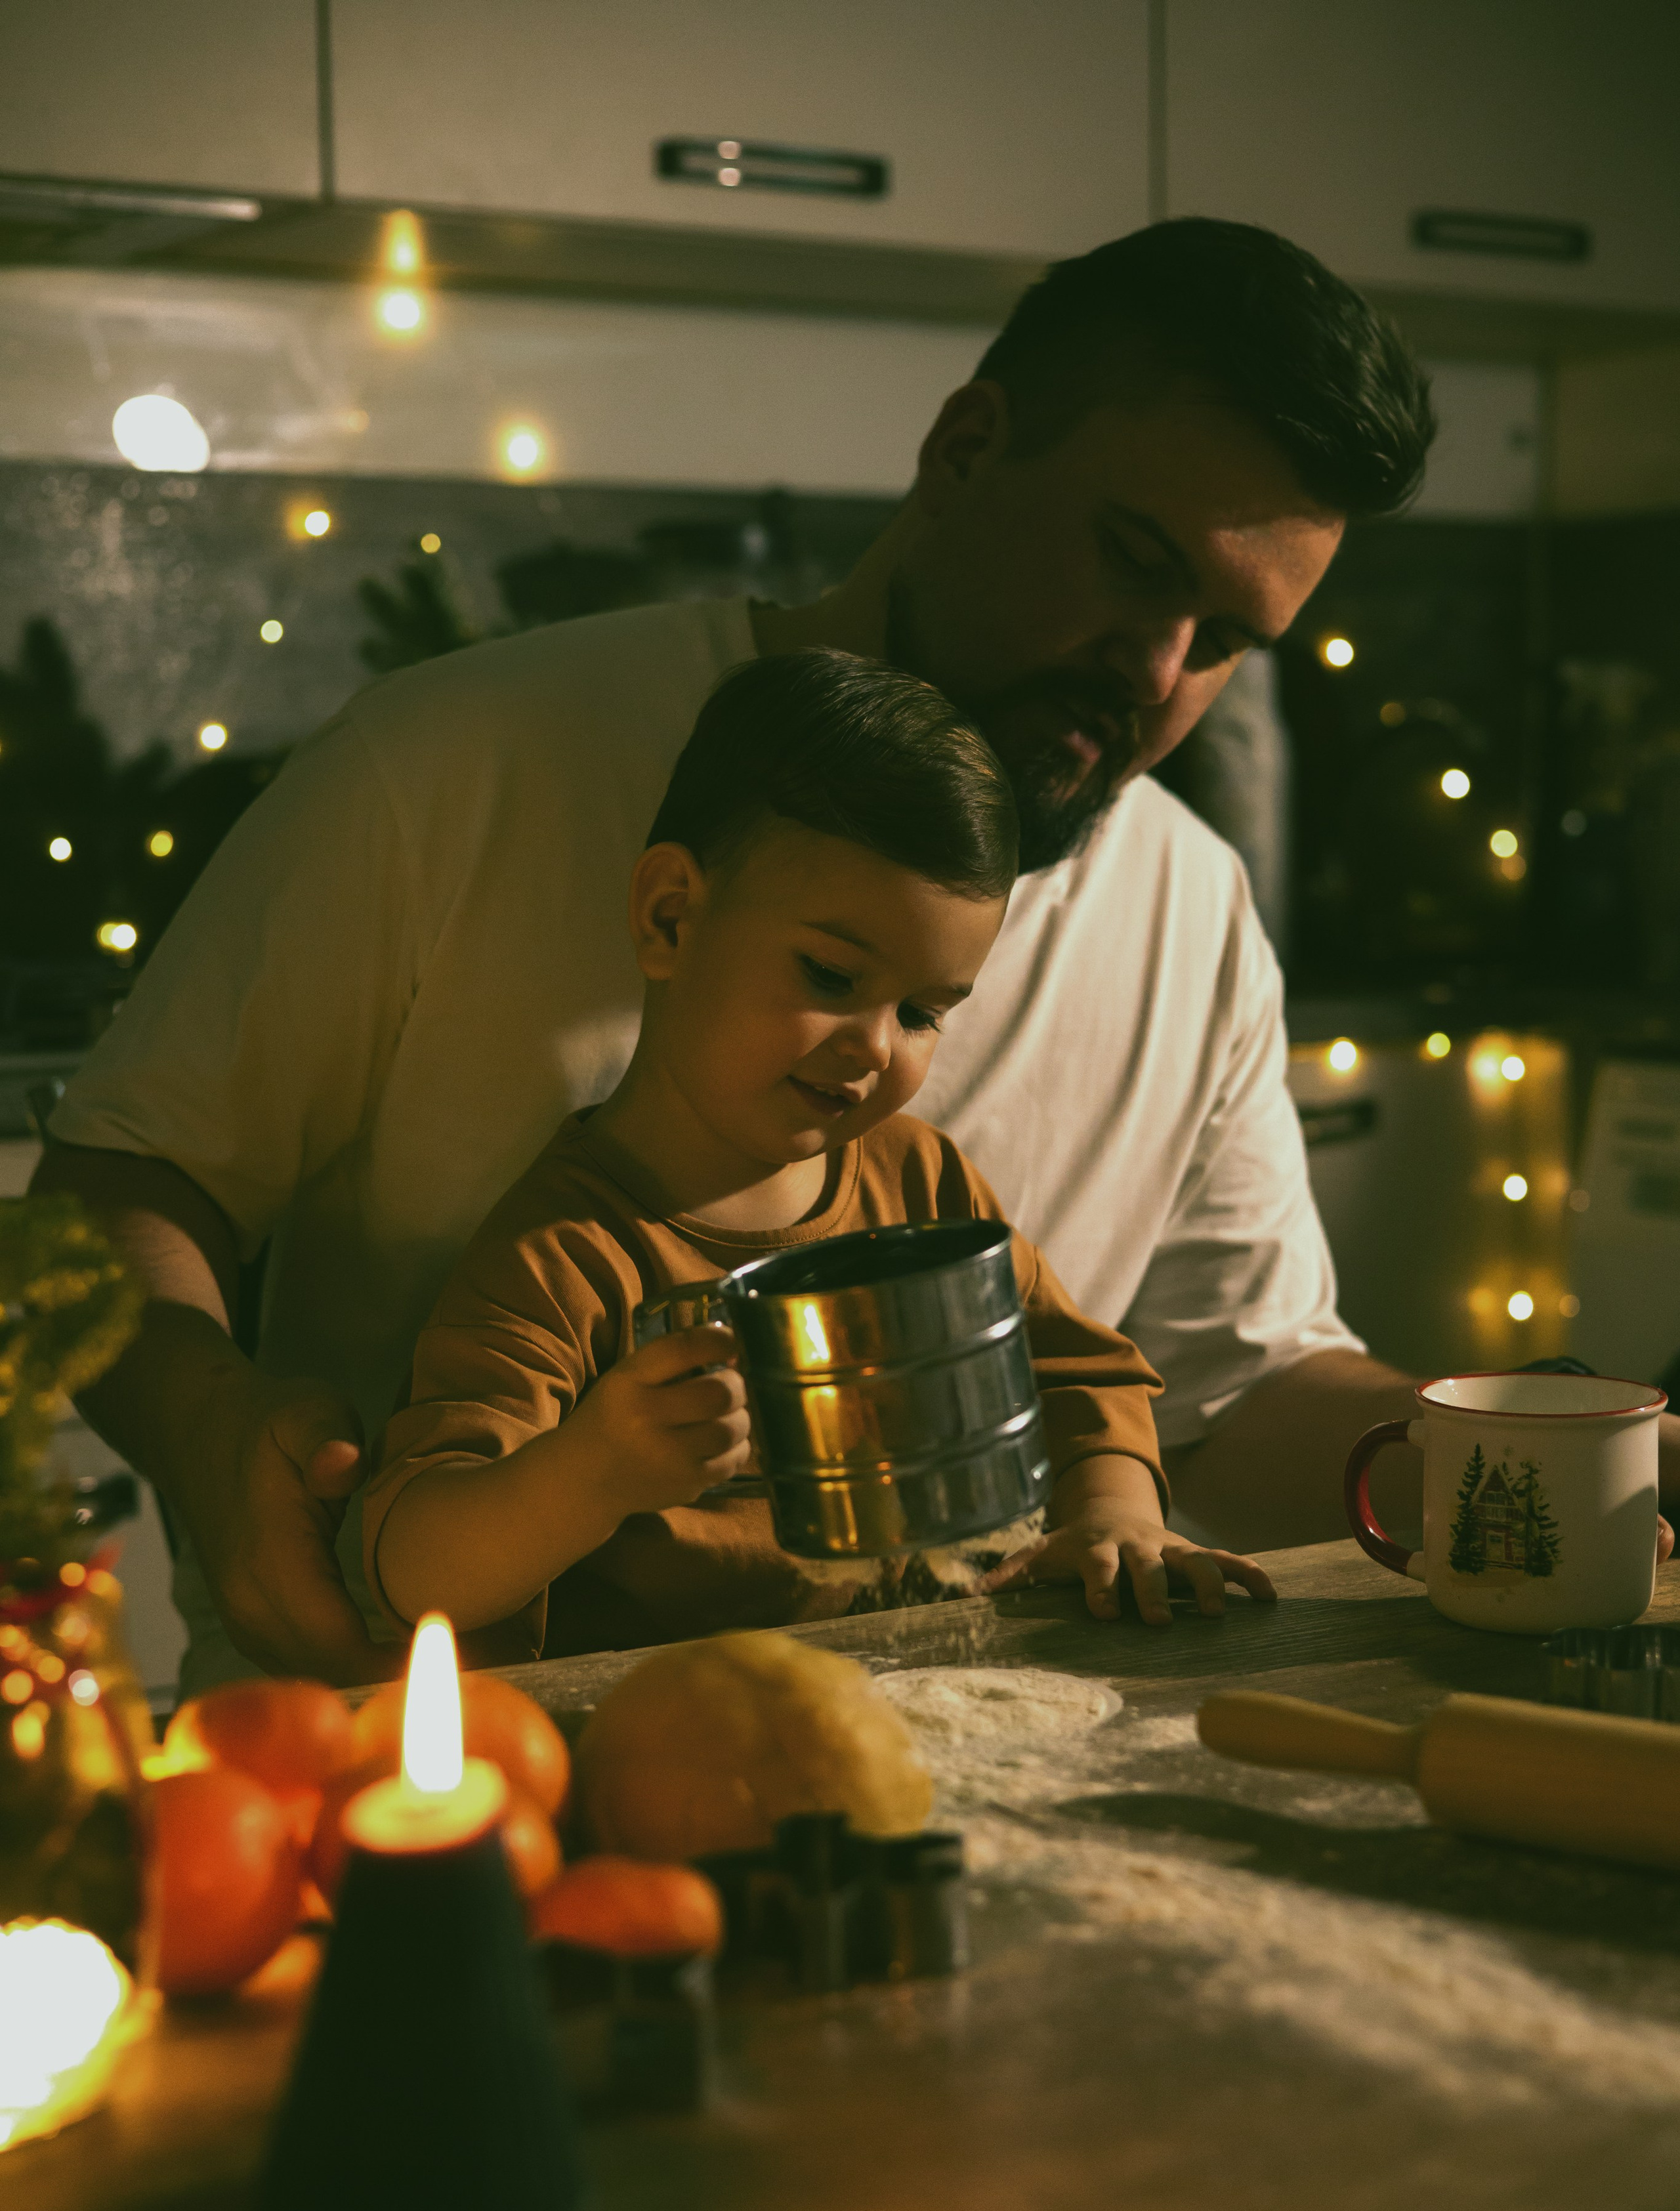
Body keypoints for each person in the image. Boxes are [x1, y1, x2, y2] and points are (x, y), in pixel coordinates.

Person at [37, 213, 1603, 1699]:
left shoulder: (1189, 906)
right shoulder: (454, 762)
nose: (1157, 673)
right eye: (1135, 561)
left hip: (960, 1777)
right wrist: (202, 1422)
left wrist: (1533, 1461)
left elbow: (1230, 1392)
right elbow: (122, 1180)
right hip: (425, 1767)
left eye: (1229, 641)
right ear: (964, 448)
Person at [362, 650, 1271, 1658]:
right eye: (832, 976)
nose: (876, 1047)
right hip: (686, 1724)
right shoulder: (567, 1256)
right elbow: (411, 1568)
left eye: (922, 1013)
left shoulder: (922, 1185)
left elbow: (1078, 1375)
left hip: (955, 1692)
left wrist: (1114, 1517)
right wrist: (593, 1470)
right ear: (671, 917)